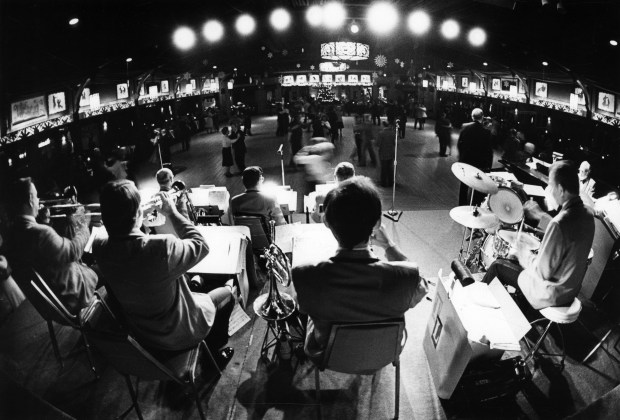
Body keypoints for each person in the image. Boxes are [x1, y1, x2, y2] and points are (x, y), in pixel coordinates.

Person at [93, 180, 236, 362]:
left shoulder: (100, 247)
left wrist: (136, 216)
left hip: (141, 332)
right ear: (137, 214)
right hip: (178, 332)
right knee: (227, 295)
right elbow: (201, 244)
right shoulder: (161, 247)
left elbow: (119, 235)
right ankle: (214, 355)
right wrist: (172, 212)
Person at [293, 176, 429, 361]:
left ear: (326, 222)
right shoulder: (406, 277)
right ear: (377, 224)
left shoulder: (305, 275)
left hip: (331, 356)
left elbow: (304, 307)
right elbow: (422, 289)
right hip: (383, 353)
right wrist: (389, 246)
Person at [482, 161, 595, 310]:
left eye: (551, 186)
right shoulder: (587, 214)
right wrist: (541, 215)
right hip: (571, 288)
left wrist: (522, 252)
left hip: (552, 292)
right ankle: (518, 303)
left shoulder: (559, 224)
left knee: (498, 265)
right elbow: (568, 231)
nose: (550, 190)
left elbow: (541, 273)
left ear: (560, 189)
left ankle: (477, 302)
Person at [5, 178, 98, 314]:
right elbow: (73, 252)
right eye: (36, 196)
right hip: (74, 296)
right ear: (30, 199)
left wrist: (45, 221)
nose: (39, 201)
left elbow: (44, 256)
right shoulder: (40, 233)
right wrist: (83, 224)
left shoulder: (13, 236)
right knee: (109, 269)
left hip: (53, 307)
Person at [457, 108, 493, 206]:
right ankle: (474, 205)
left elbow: (460, 144)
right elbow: (489, 151)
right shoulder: (486, 132)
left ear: (472, 117)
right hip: (479, 163)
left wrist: (461, 158)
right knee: (477, 185)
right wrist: (488, 166)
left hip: (465, 160)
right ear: (482, 117)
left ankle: (462, 205)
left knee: (464, 185)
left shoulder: (464, 127)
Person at [377, 121, 396, 187]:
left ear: (383, 126)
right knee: (390, 168)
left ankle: (383, 183)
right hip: (391, 153)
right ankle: (391, 182)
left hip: (383, 153)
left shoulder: (381, 133)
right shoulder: (393, 133)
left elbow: (378, 143)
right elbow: (395, 143)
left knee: (383, 168)